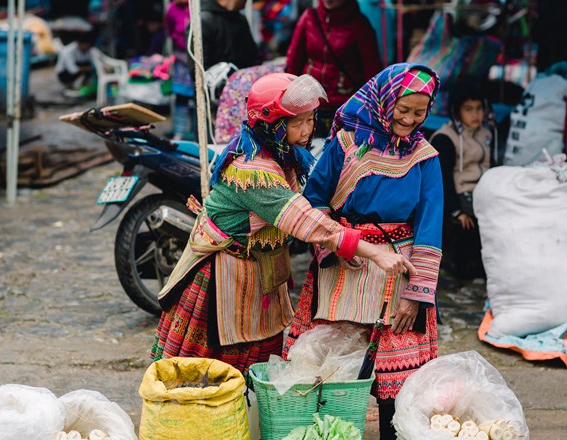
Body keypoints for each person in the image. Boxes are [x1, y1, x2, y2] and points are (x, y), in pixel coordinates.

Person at [150, 72, 415, 374]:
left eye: (310, 119)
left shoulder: (282, 155)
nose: (307, 129)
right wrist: (375, 252)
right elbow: (307, 221)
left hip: (256, 271)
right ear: (272, 125)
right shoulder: (253, 170)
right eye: (298, 122)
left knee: (252, 367)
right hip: (222, 273)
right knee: (206, 373)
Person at [283, 63, 443, 440]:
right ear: (385, 100)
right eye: (402, 109)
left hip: (398, 271)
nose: (408, 119)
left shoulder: (426, 158)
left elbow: (430, 231)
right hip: (346, 264)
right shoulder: (346, 144)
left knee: (397, 384)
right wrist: (336, 246)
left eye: (419, 113)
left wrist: (416, 295)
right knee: (331, 373)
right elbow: (314, 202)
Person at [285, 0, 382, 137]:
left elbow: (372, 71)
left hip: (344, 107)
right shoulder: (309, 17)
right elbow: (293, 61)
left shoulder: (360, 24)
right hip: (308, 102)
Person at [431, 80, 492, 280]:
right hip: (459, 196)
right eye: (468, 109)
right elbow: (443, 178)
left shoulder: (486, 133)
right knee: (471, 225)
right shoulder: (445, 137)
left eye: (479, 108)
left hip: (483, 192)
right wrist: (456, 211)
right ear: (456, 111)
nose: (476, 114)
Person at [165, 0, 194, 140]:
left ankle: (196, 132)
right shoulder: (172, 9)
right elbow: (171, 32)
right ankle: (179, 132)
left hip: (199, 59)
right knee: (181, 97)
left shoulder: (198, 6)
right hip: (181, 60)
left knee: (198, 98)